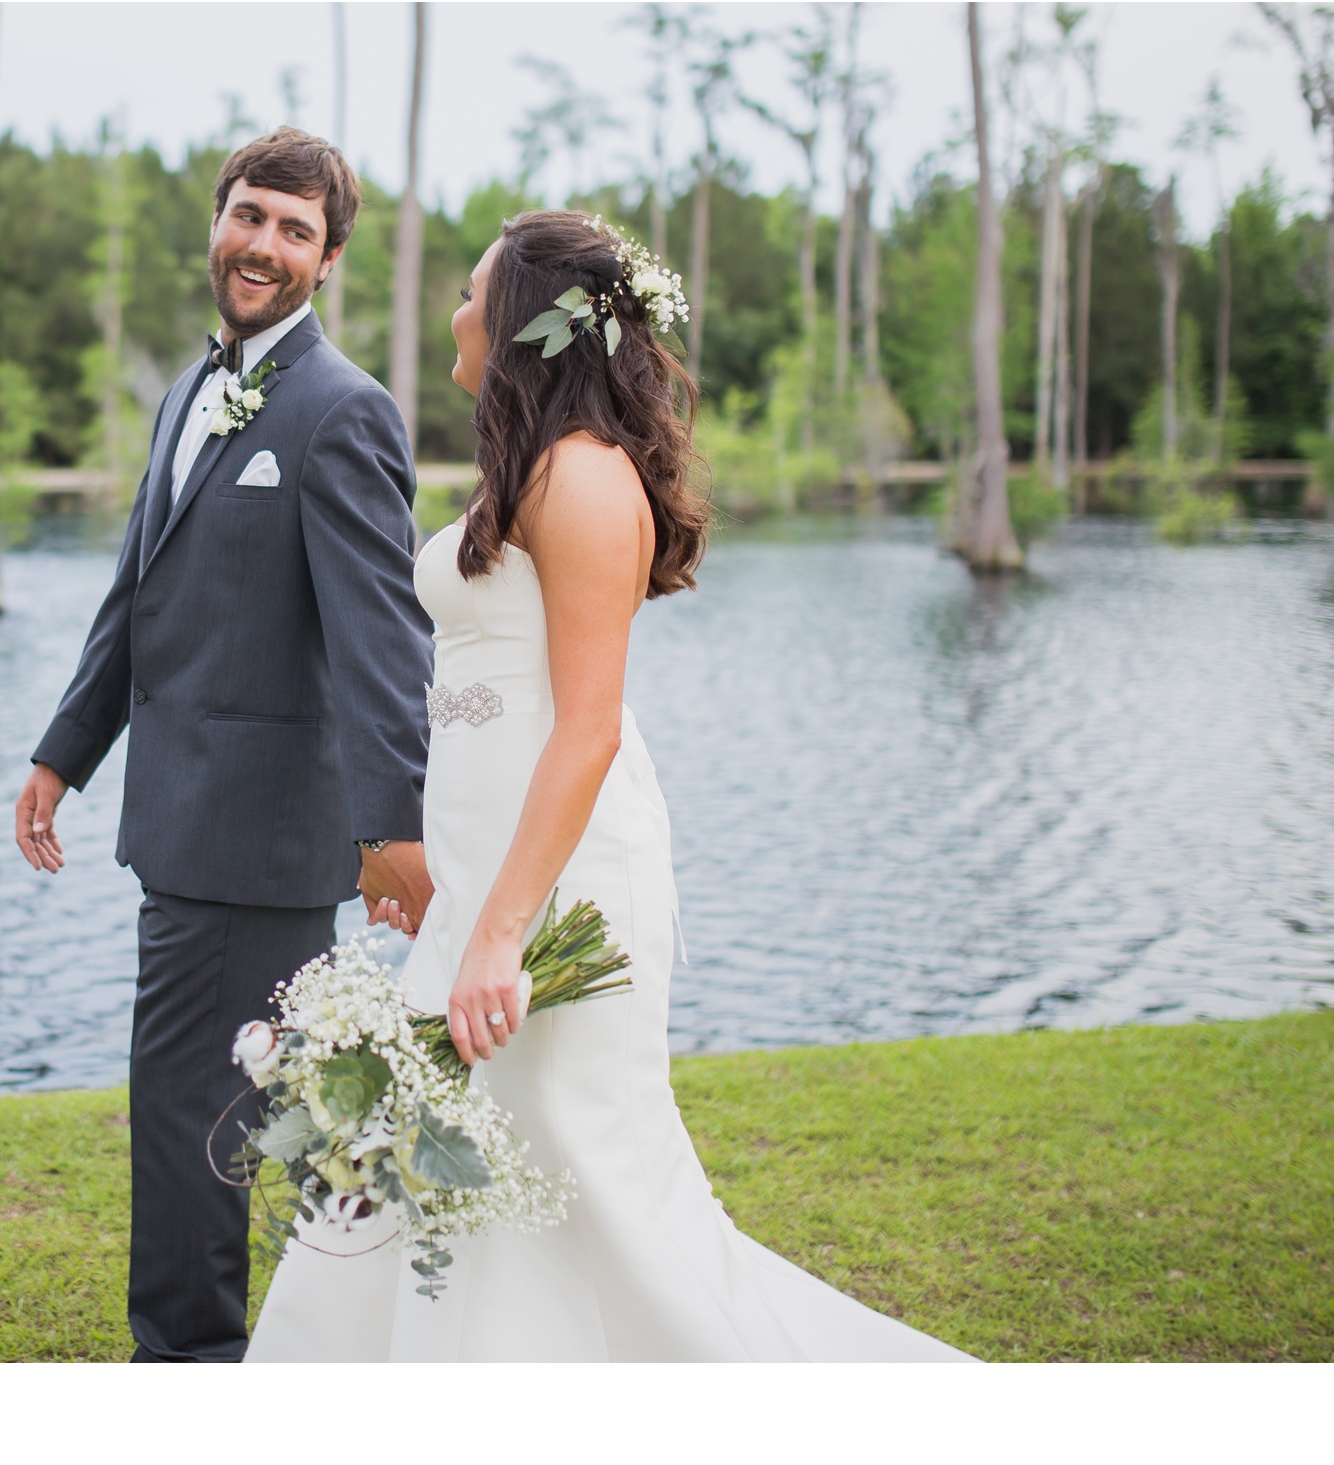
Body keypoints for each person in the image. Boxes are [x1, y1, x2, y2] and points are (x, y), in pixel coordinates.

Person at [244, 210, 977, 1362]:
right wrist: (409, 853)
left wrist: (498, 933)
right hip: (484, 874)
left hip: (556, 885)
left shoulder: (583, 478)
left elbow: (582, 732)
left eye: (473, 291)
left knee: (583, 1169)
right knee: (452, 1149)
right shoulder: (525, 469)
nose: (454, 312)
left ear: (524, 320)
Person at [14, 128, 436, 1363]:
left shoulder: (341, 412)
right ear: (217, 222)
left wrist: (390, 828)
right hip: (180, 825)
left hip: (261, 839)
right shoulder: (184, 392)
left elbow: (381, 642)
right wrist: (63, 752)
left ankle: (188, 1365)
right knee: (210, 1115)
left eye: (293, 229)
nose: (262, 244)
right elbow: (135, 597)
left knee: (197, 1119)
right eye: (248, 215)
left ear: (329, 257)